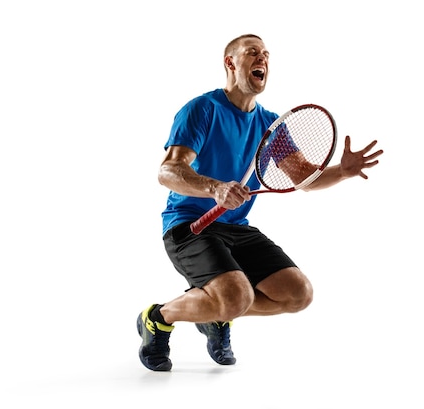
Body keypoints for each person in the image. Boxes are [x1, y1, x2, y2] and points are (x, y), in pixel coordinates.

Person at [137, 33, 383, 371]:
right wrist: (215, 188)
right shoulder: (202, 109)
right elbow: (168, 171)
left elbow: (304, 179)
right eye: (253, 52)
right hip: (189, 226)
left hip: (235, 227)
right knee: (237, 296)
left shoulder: (271, 125)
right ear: (230, 63)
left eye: (266, 54)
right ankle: (158, 317)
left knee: (298, 294)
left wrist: (343, 171)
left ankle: (217, 312)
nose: (262, 59)